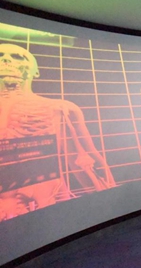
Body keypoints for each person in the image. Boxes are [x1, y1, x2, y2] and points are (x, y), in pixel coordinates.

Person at [0, 43, 115, 221]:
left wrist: (113, 206)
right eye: (1, 56)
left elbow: (84, 160)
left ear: (36, 72)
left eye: (17, 57)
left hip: (47, 202)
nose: (6, 60)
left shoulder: (60, 108)